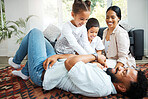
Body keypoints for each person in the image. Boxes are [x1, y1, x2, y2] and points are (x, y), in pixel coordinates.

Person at [8, 28, 147, 99]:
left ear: (122, 87)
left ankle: (16, 63)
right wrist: (58, 55)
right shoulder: (107, 76)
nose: (121, 68)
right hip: (55, 63)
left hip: (42, 72)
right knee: (43, 40)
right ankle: (24, 72)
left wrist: (94, 56)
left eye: (124, 72)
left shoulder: (101, 85)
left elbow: (71, 62)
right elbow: (76, 58)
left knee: (35, 32)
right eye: (125, 68)